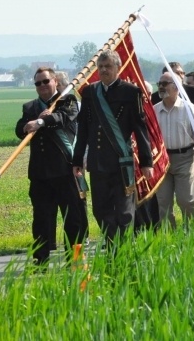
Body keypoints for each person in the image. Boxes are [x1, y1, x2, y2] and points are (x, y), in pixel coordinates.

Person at [72, 50, 153, 245]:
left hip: (121, 162)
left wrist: (146, 161)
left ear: (118, 67)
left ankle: (123, 252)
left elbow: (140, 130)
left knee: (124, 212)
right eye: (100, 67)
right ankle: (112, 246)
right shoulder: (90, 92)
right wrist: (77, 160)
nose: (103, 70)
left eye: (108, 66)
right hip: (98, 163)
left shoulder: (131, 92)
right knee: (100, 210)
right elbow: (83, 128)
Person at [16, 67, 87, 266]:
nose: (42, 86)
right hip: (40, 174)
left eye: (46, 81)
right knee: (41, 220)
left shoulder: (68, 101)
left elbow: (62, 118)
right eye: (38, 83)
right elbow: (20, 128)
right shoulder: (30, 106)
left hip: (66, 171)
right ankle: (41, 261)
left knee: (73, 219)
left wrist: (40, 121)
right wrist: (28, 125)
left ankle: (75, 260)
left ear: (55, 81)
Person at [153, 72, 194, 228]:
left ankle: (191, 232)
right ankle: (168, 237)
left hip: (185, 157)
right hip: (162, 161)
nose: (161, 87)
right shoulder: (154, 110)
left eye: (165, 84)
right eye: (159, 84)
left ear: (176, 86)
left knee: (187, 200)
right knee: (163, 202)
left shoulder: (189, 108)